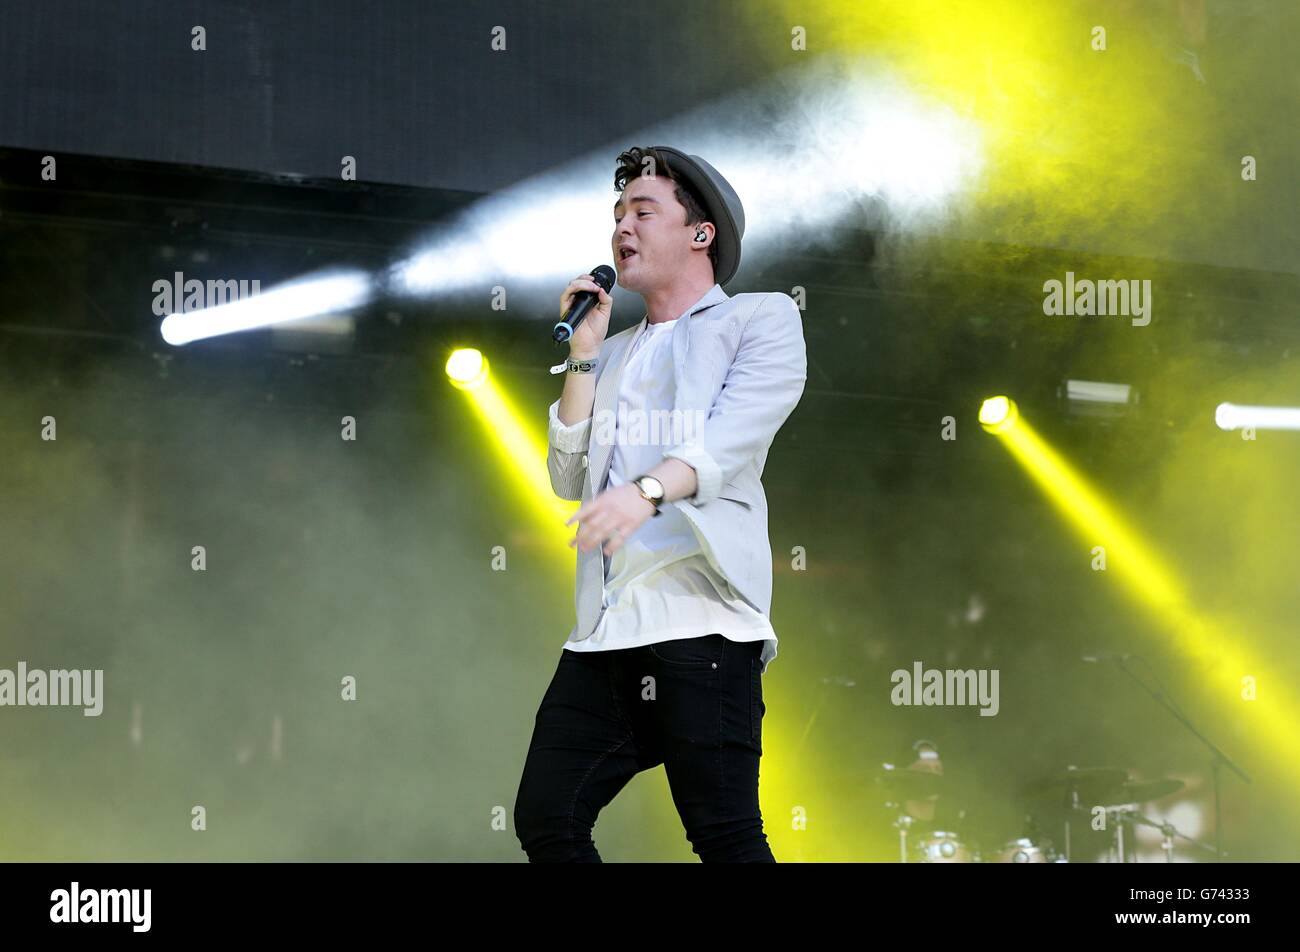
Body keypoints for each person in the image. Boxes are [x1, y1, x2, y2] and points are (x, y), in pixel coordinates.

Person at [513, 145, 807, 862]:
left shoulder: (758, 320)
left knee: (724, 832)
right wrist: (583, 352)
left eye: (644, 211)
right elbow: (564, 474)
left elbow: (729, 442)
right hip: (608, 631)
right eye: (618, 214)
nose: (623, 228)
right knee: (547, 817)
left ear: (700, 233)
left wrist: (644, 493)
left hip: (703, 621)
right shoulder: (611, 351)